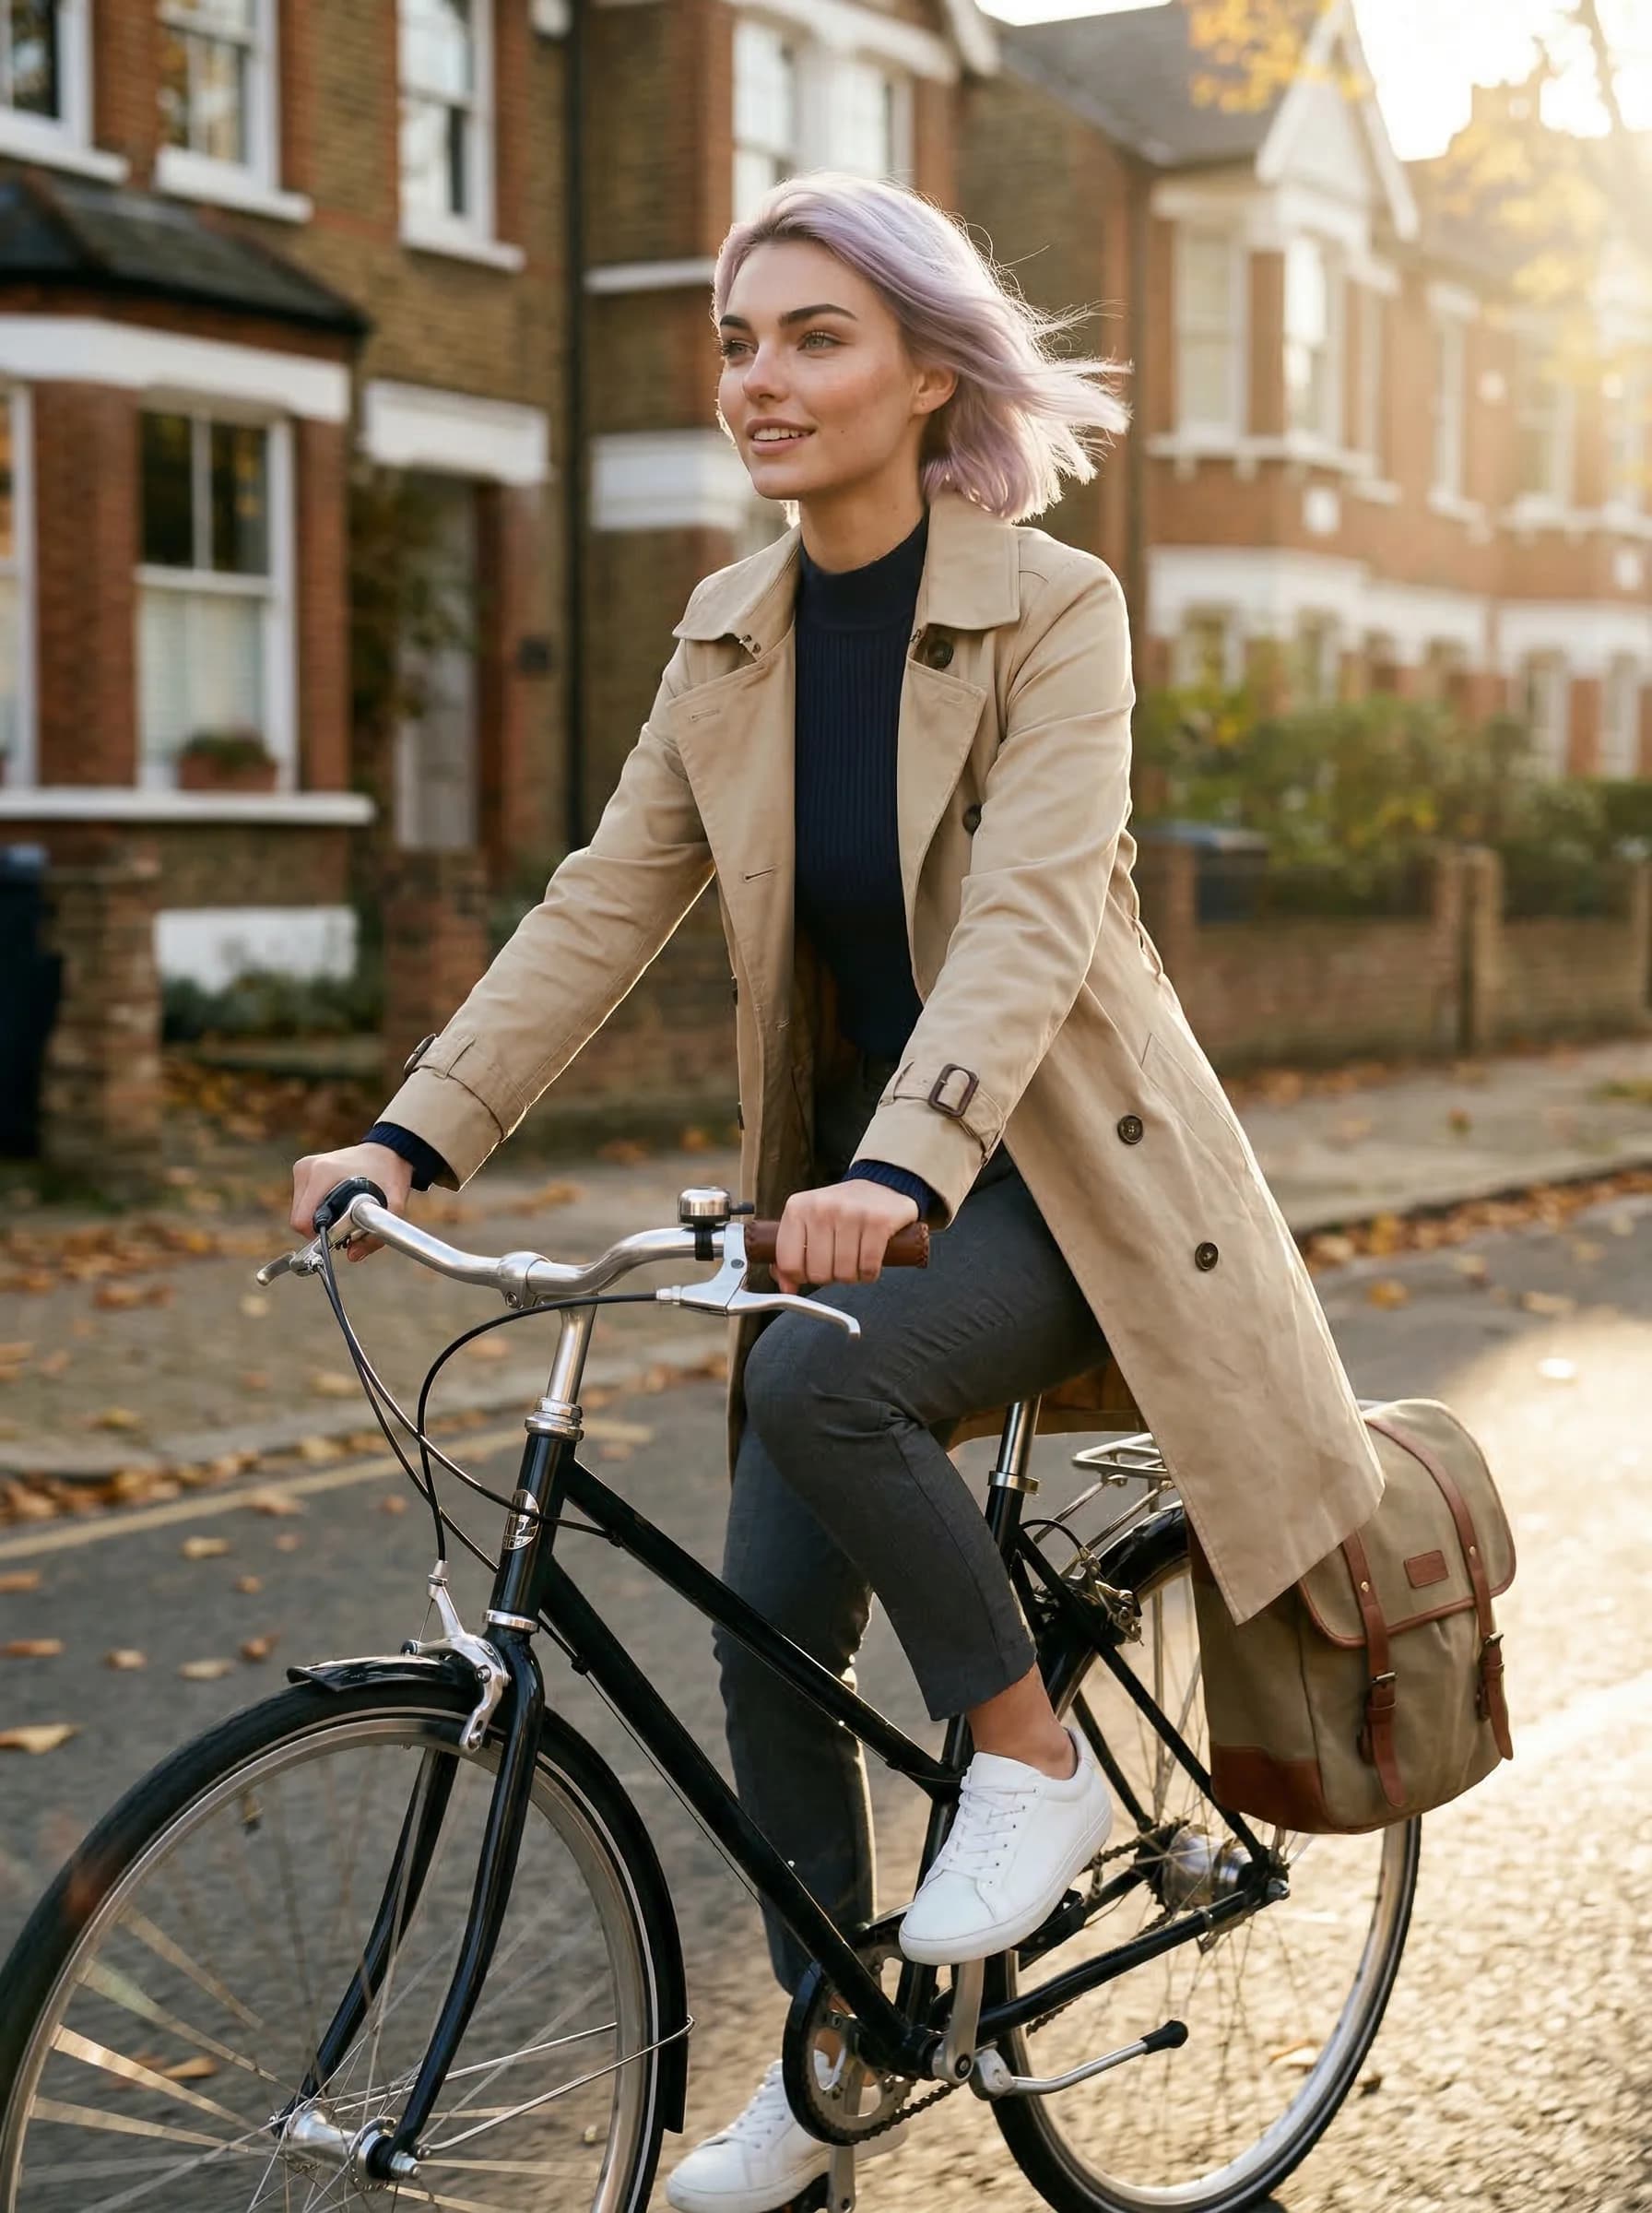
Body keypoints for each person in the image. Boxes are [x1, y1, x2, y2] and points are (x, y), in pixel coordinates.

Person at [292, 170, 1386, 2213]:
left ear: (923, 369)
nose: (759, 378)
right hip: (853, 1195)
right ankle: (828, 2064)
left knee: (822, 1388)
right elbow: (600, 901)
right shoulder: (727, 634)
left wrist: (901, 1157)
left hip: (1062, 1182)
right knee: (763, 1639)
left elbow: (1033, 922)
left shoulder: (1055, 610)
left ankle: (1031, 1763)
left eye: (815, 336)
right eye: (735, 338)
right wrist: (410, 1134)